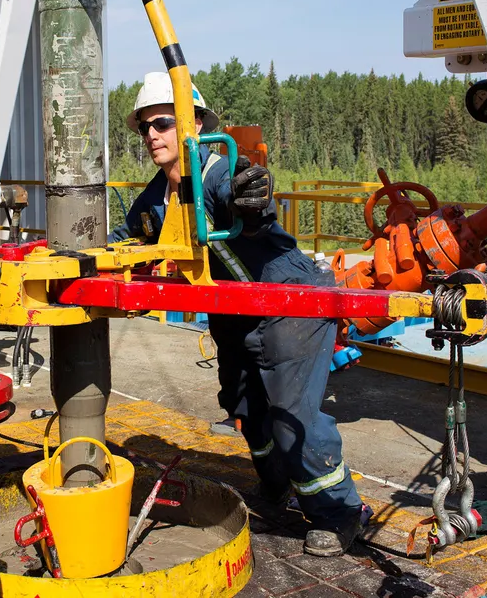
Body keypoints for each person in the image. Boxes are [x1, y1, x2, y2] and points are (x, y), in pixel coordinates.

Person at [109, 72, 364, 557]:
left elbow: (251, 200)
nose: (152, 136)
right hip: (232, 308)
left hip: (290, 302)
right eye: (145, 127)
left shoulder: (217, 173)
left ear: (196, 124)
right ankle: (275, 488)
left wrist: (256, 198)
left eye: (162, 122)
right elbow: (126, 241)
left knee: (291, 419)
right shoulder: (153, 199)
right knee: (245, 408)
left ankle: (339, 511)